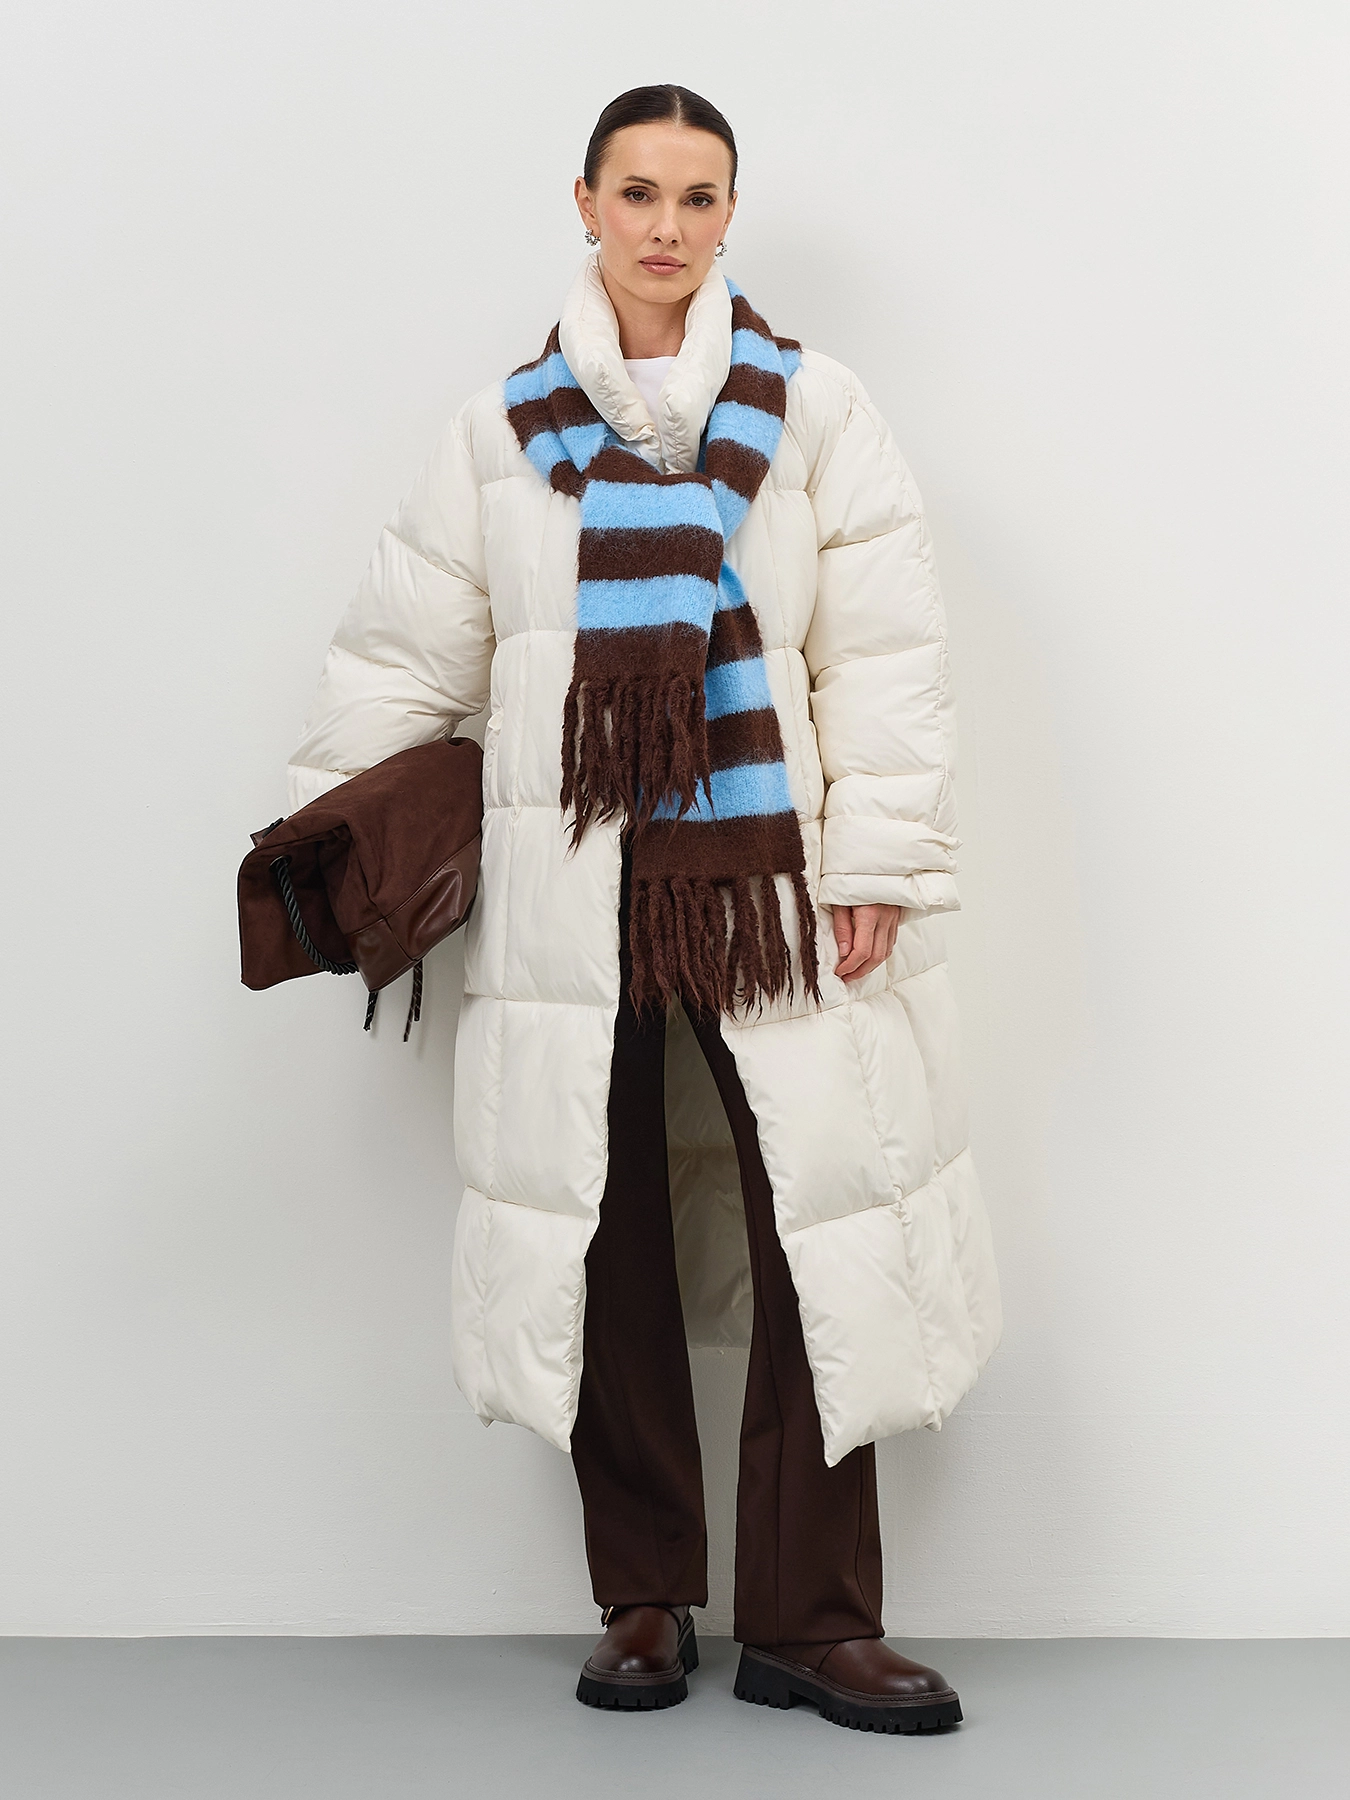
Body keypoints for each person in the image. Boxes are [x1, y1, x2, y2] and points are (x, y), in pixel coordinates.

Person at [287, 83, 1002, 1734]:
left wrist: (877, 862)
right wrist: (338, 841)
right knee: (594, 1224)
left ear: (728, 214)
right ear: (586, 205)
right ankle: (641, 1597)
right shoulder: (501, 430)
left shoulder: (814, 409)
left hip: (772, 891)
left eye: (696, 196)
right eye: (637, 193)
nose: (666, 226)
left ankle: (813, 1619)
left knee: (821, 1217)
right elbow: (409, 654)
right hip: (570, 891)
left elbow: (884, 651)